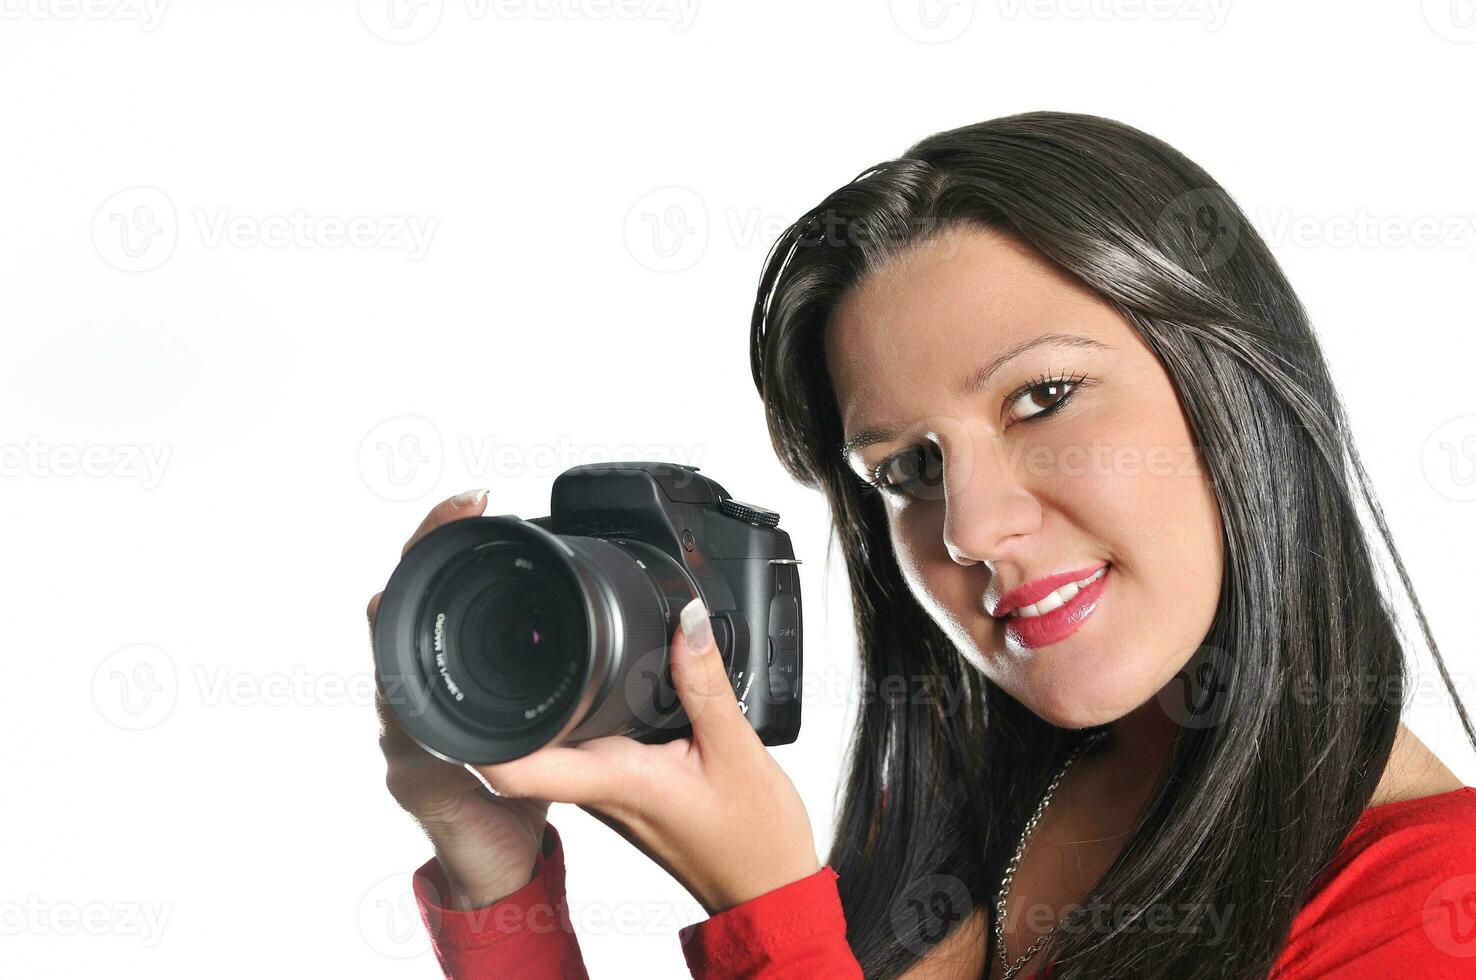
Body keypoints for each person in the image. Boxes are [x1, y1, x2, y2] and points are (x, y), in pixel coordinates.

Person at [366, 111, 1476, 979]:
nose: (971, 529)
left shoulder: (1435, 908)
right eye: (907, 469)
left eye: (1044, 396)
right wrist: (497, 876)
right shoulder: (975, 813)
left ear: (1233, 392)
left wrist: (765, 917)